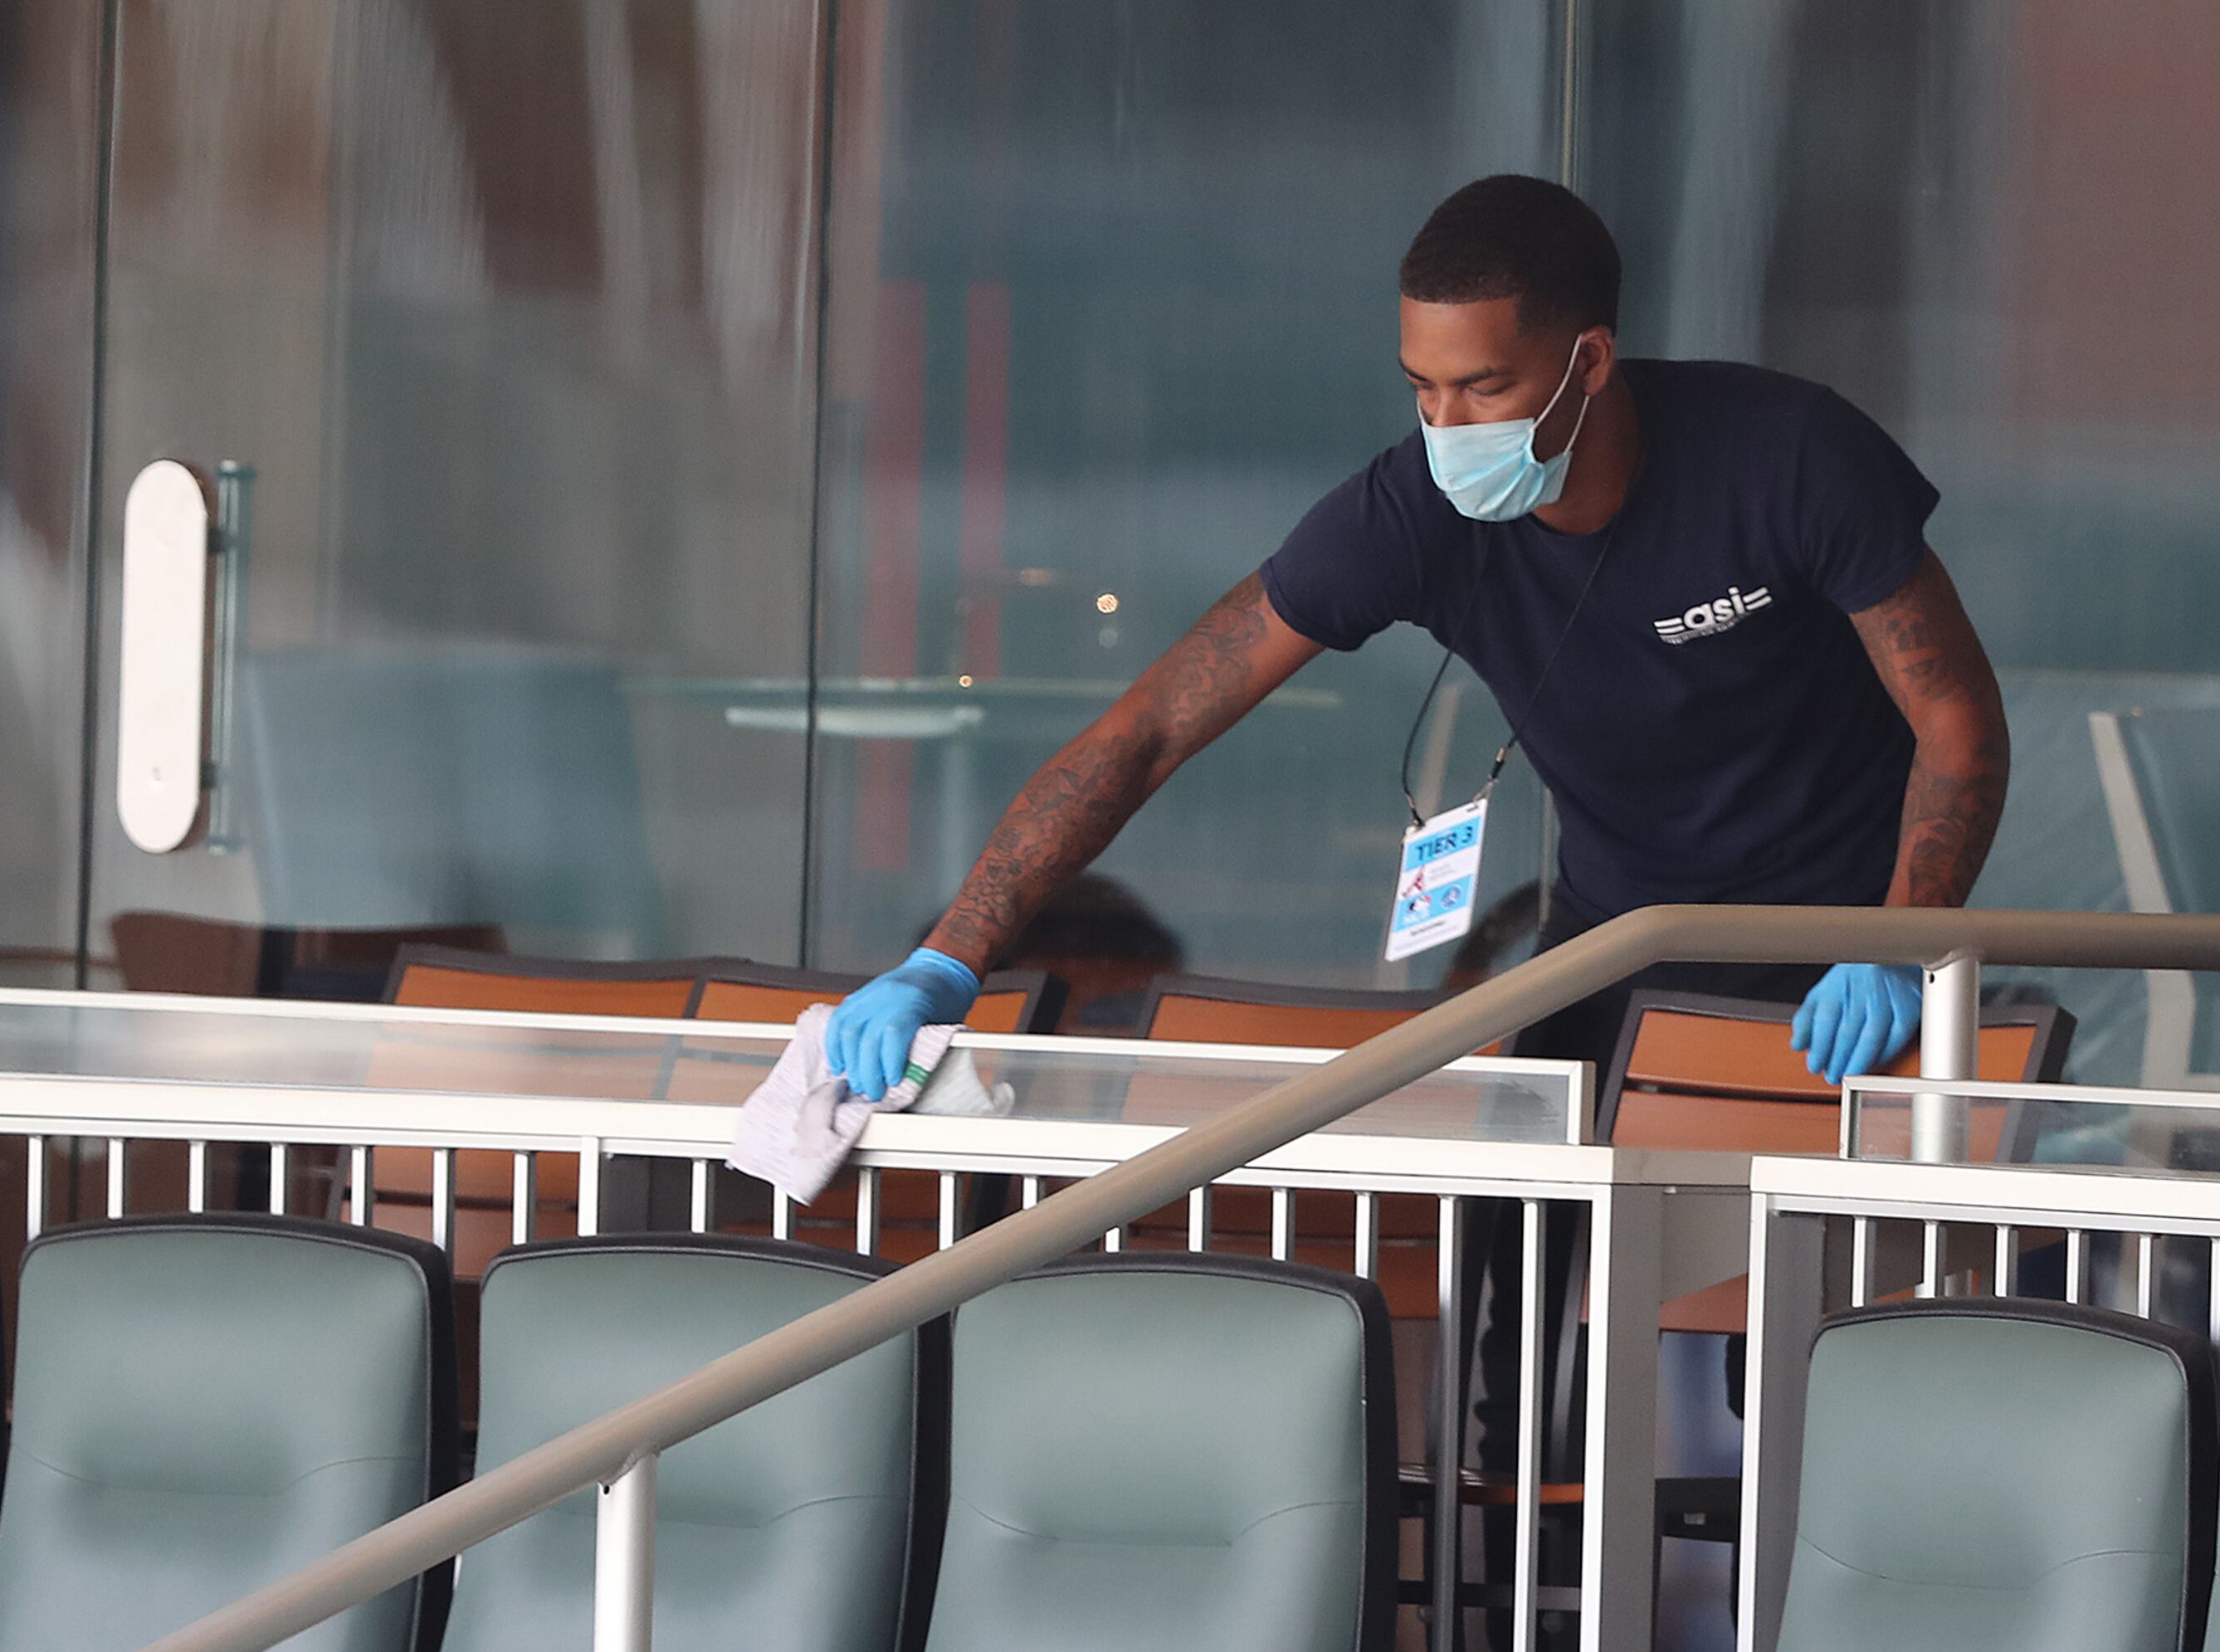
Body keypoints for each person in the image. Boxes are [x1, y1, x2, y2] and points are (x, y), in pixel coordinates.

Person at [826, 173, 2008, 1099]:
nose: (1448, 427)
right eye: (1421, 388)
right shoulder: (1411, 511)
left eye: (1485, 388)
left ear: (1589, 362)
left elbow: (1955, 719)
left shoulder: (1789, 456)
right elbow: (1150, 728)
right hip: (1620, 946)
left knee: (1808, 1330)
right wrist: (949, 956)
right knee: (1543, 1333)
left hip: (1853, 958)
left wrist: (1895, 941)